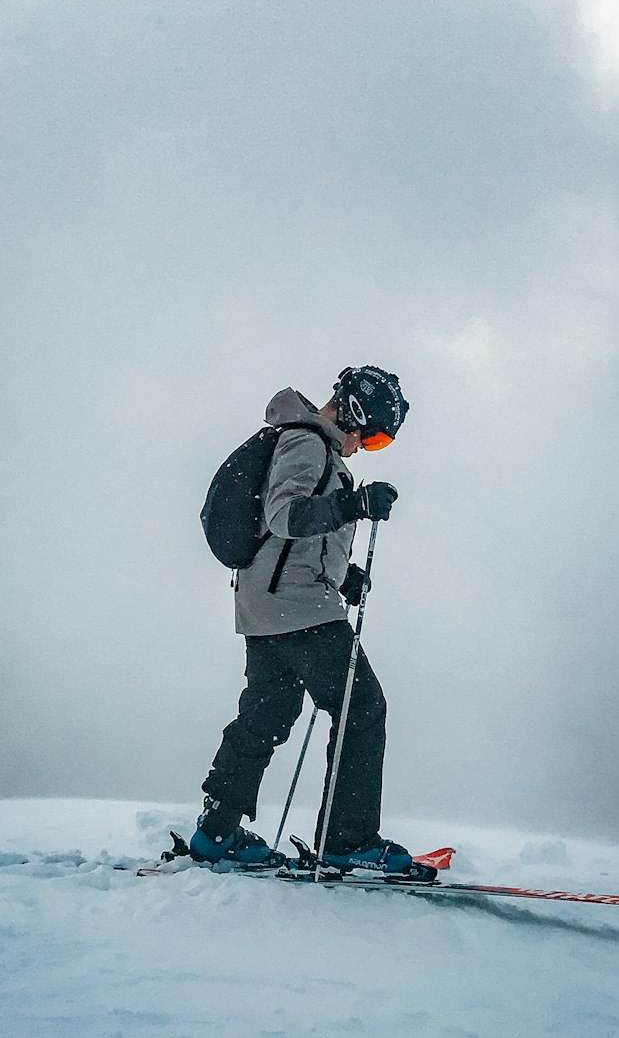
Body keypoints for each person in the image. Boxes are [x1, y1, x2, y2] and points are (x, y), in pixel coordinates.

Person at [191, 365, 411, 872]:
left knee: (267, 714)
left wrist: (342, 574)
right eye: (374, 437)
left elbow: (293, 541)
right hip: (295, 607)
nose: (367, 446)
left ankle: (217, 830)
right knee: (362, 706)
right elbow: (285, 517)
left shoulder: (306, 445)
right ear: (357, 413)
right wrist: (355, 504)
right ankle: (347, 839)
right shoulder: (308, 444)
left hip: (269, 605)